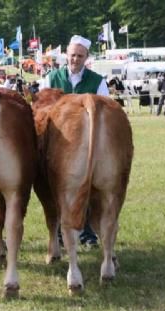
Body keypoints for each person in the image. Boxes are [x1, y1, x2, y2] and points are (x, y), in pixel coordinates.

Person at [42, 35, 109, 247]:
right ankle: (61, 232)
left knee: (87, 187)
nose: (75, 59)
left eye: (80, 56)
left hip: (86, 145)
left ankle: (87, 232)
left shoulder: (98, 82)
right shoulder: (50, 79)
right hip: (56, 145)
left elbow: (106, 112)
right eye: (72, 55)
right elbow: (41, 112)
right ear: (66, 56)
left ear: (86, 57)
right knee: (56, 190)